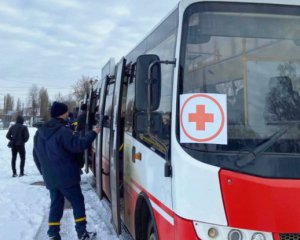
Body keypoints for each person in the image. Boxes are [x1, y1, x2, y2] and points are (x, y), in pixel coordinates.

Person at [33, 101, 100, 240]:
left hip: (51, 178)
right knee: (77, 202)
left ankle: (53, 233)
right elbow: (79, 145)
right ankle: (82, 233)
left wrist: (44, 172)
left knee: (56, 204)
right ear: (61, 114)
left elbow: (36, 156)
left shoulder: (39, 134)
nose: (68, 114)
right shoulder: (63, 131)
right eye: (66, 112)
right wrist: (94, 133)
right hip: (67, 177)